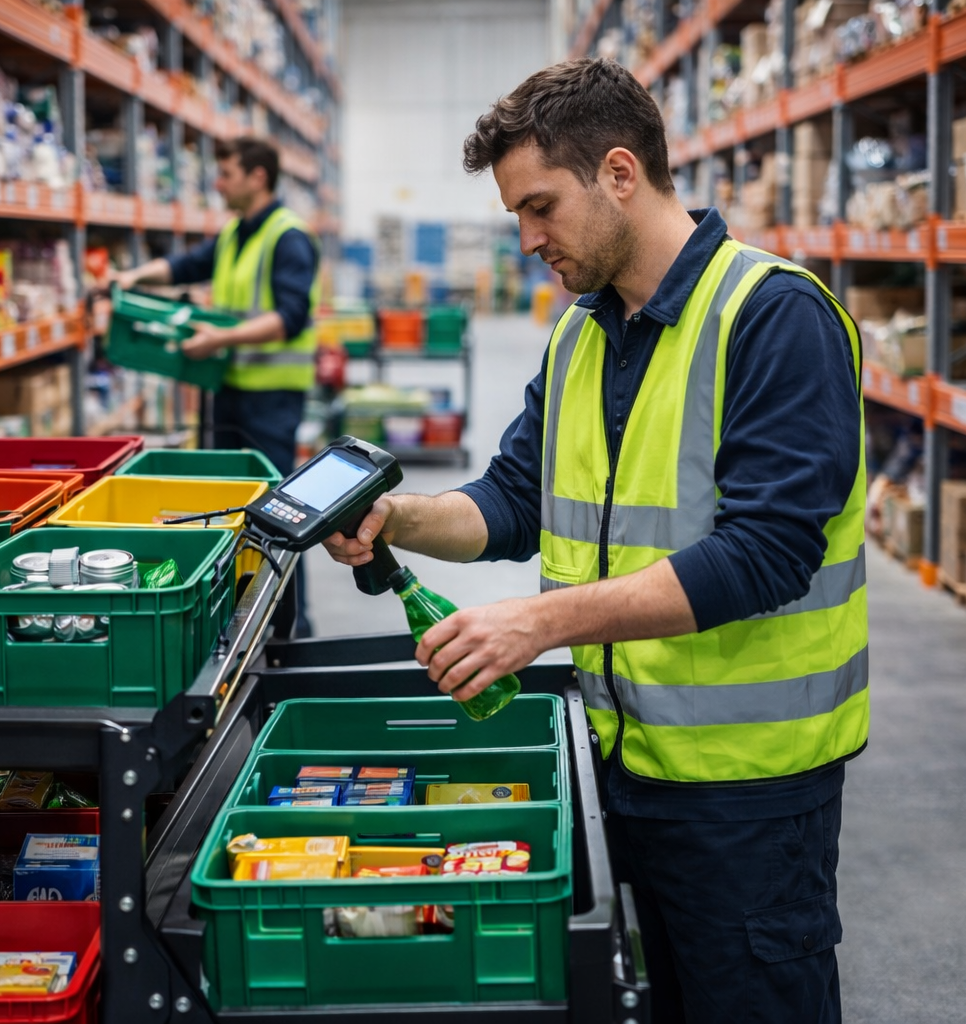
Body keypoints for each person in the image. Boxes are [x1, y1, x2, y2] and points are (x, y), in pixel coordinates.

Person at [325, 58, 866, 1024]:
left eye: (541, 207)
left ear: (621, 173)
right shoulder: (582, 332)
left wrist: (537, 622)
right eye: (516, 217)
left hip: (744, 789)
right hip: (617, 757)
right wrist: (396, 517)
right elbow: (515, 501)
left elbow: (769, 553)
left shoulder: (774, 316)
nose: (528, 240)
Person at [116, 136, 320, 634]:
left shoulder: (287, 236)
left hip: (271, 396)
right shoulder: (235, 234)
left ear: (258, 177)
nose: (218, 182)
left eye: (227, 172)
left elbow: (291, 317)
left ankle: (291, 622)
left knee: (278, 508)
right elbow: (187, 265)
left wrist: (222, 338)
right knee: (230, 504)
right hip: (228, 390)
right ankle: (238, 610)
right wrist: (133, 277)